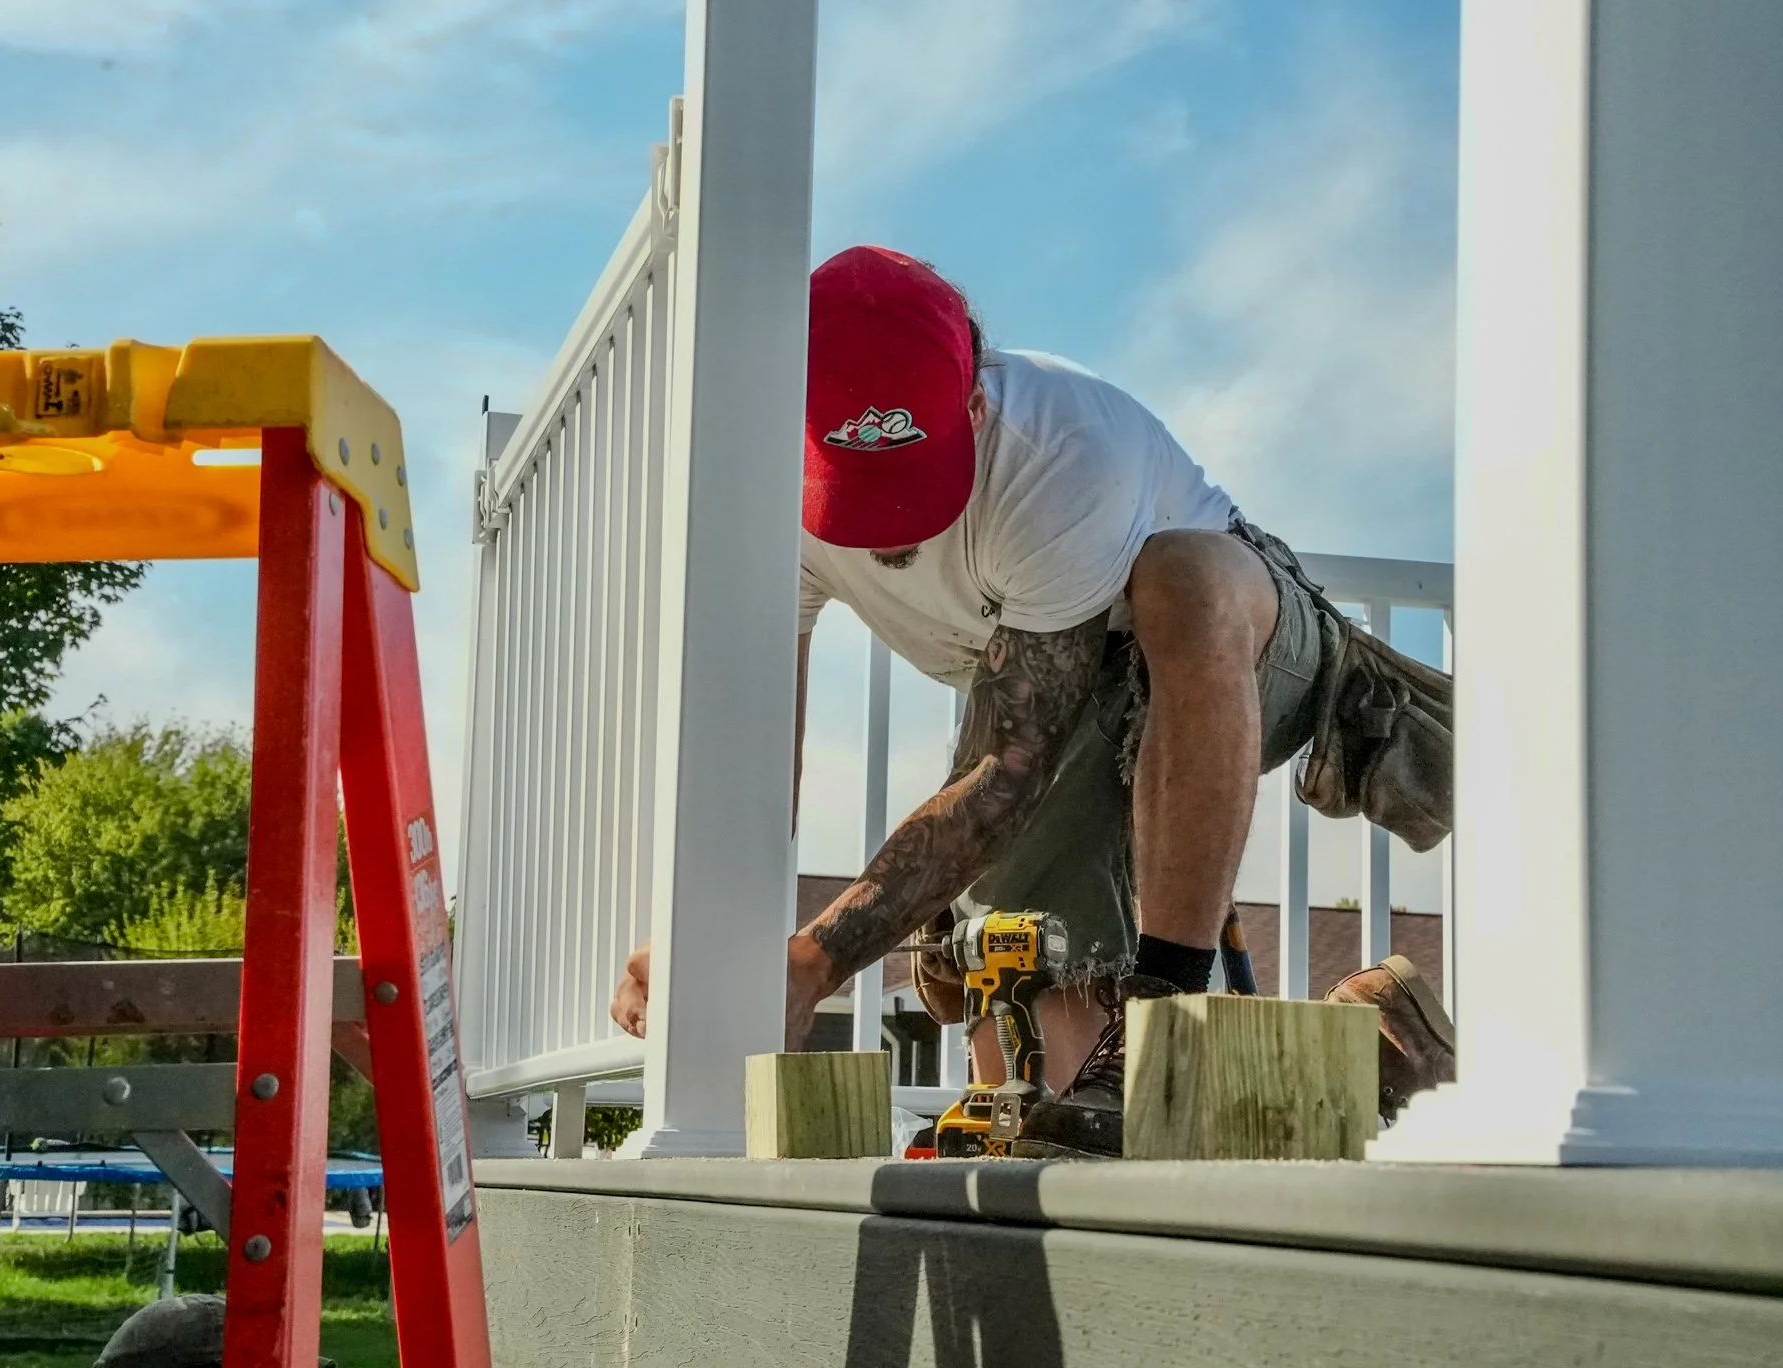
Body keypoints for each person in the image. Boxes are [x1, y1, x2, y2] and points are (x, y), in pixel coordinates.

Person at [613, 245, 1453, 1156]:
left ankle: (1163, 1011)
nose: (893, 537)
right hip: (1041, 680)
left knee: (1185, 578)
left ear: (976, 402)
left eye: (914, 480)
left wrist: (817, 958)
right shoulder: (759, 491)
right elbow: (754, 762)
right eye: (859, 493)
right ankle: (1374, 1043)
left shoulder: (1058, 451)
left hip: (1231, 650)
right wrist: (703, 943)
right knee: (1029, 1065)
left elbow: (1009, 771)